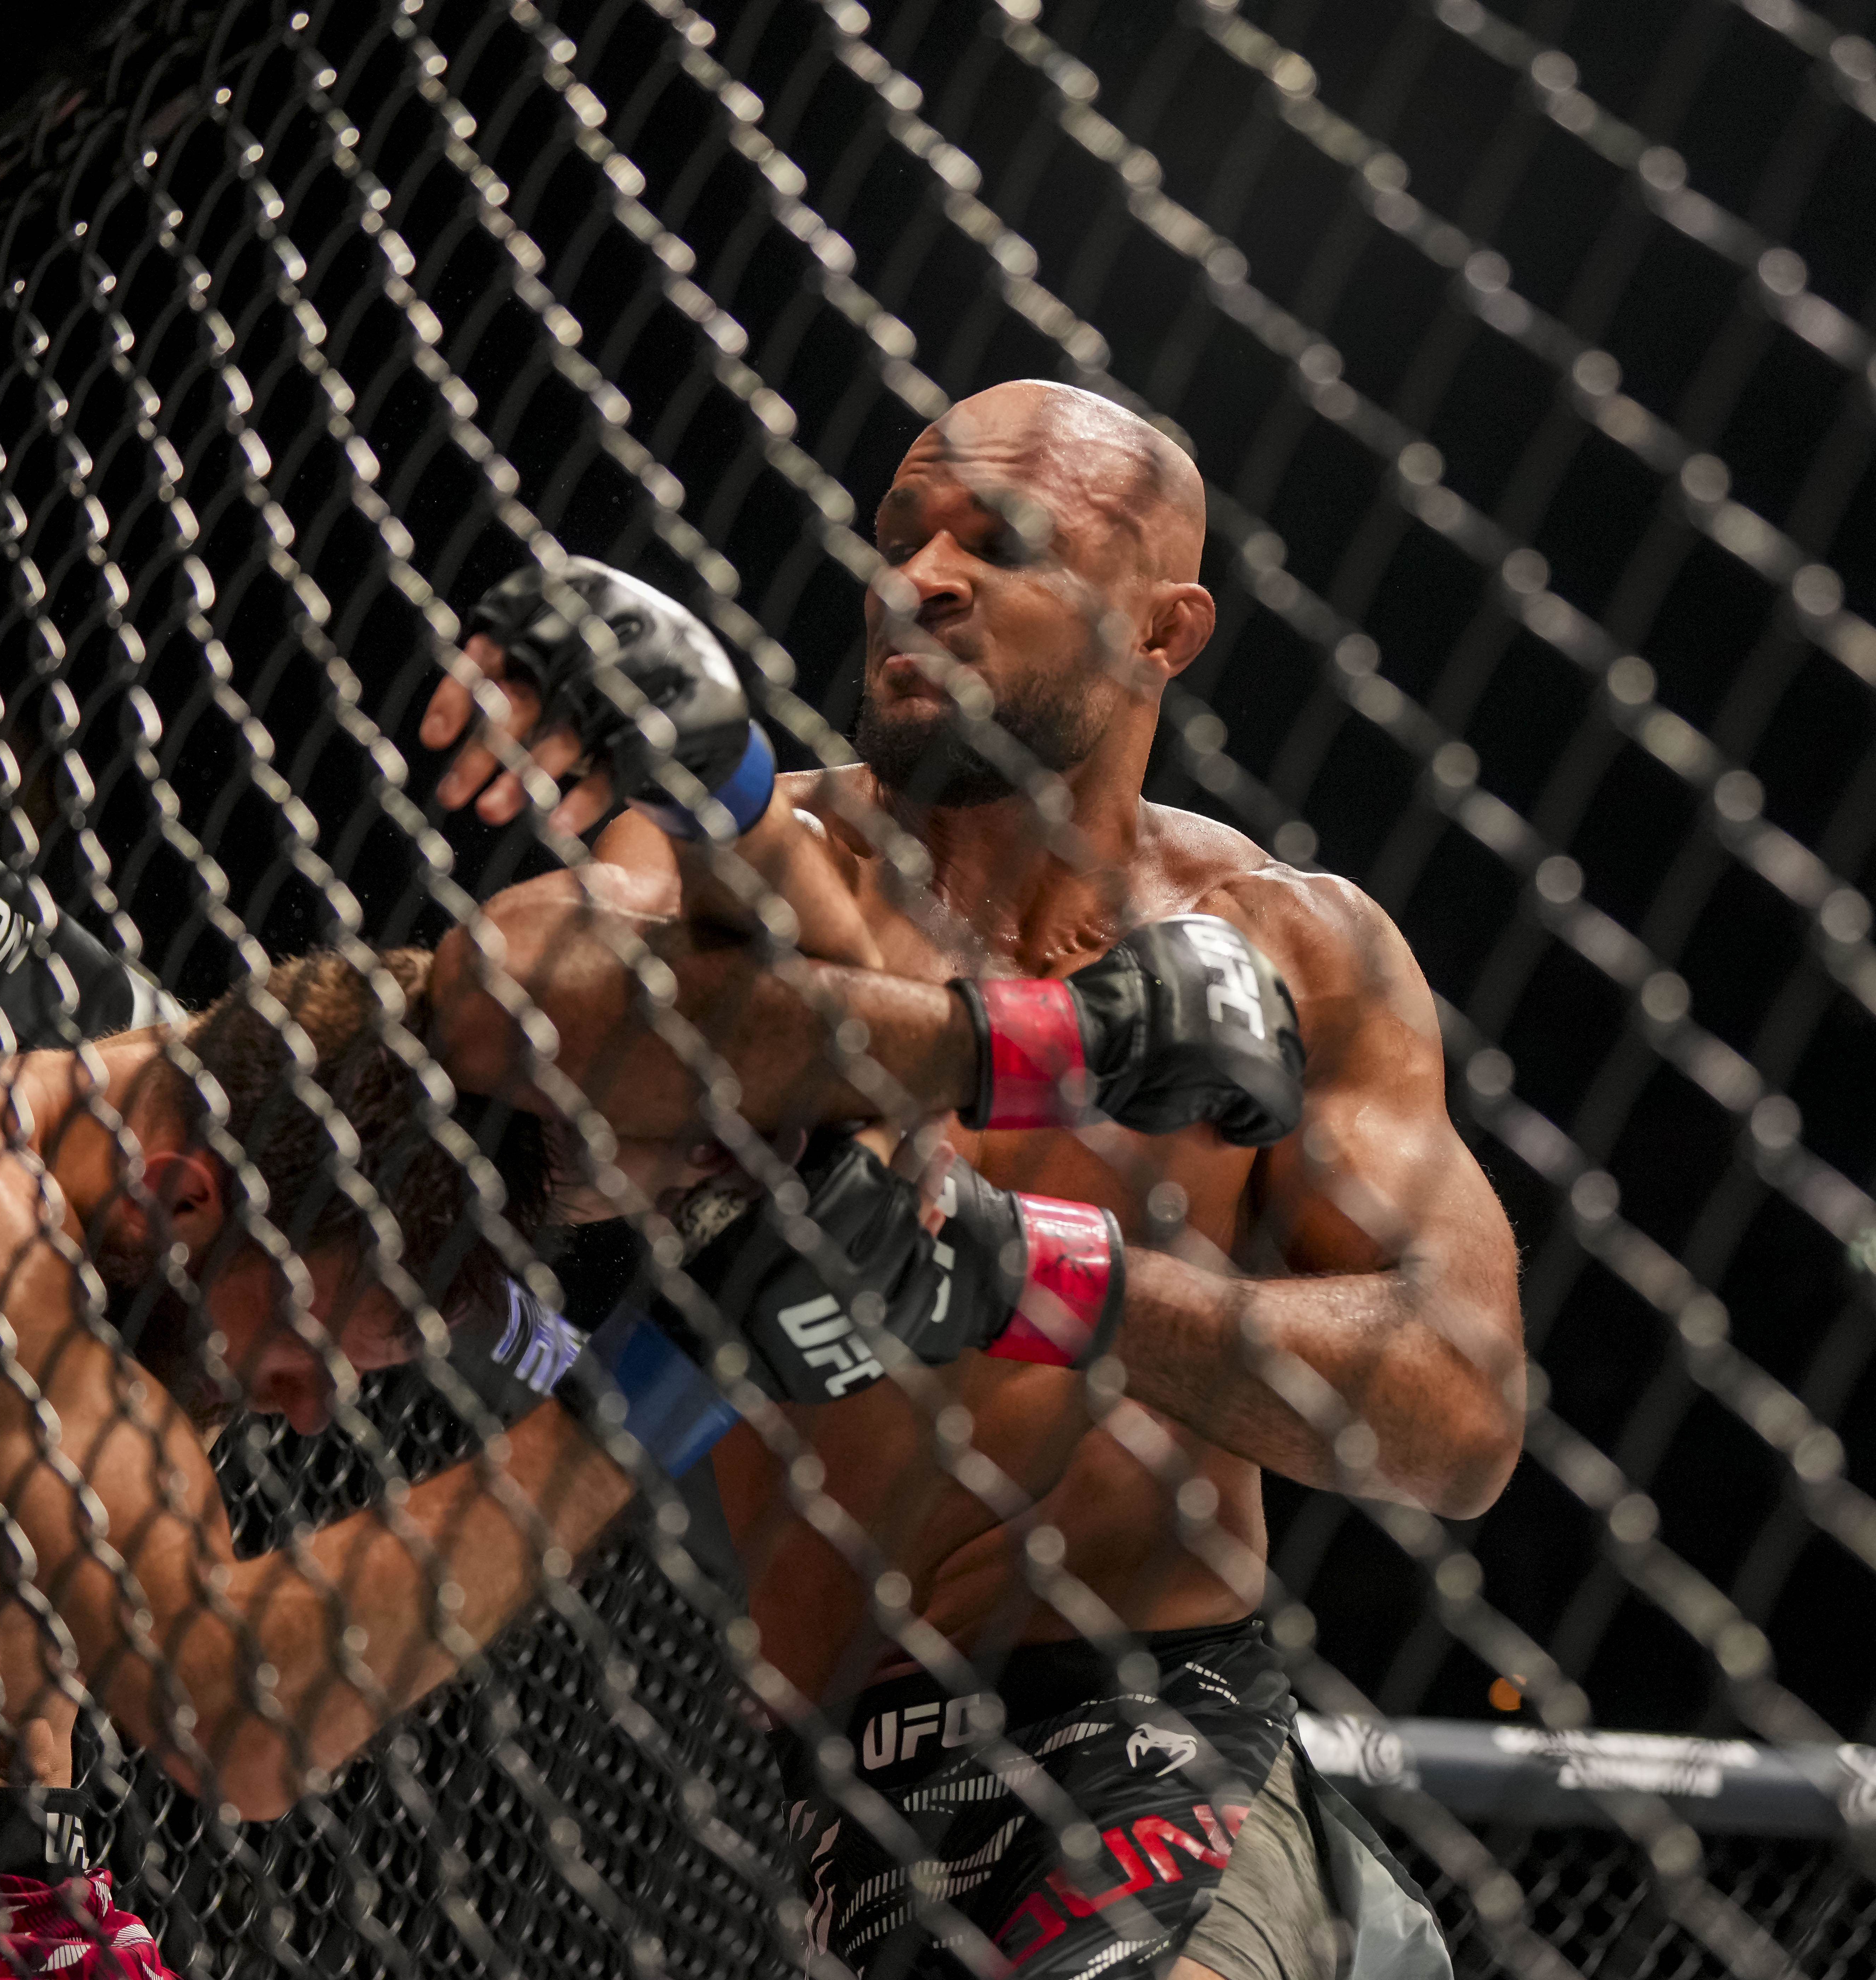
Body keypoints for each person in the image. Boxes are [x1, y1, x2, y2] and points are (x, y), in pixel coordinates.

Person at [0, 906, 1291, 1980]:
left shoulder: (7, 1132)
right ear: (189, 1195)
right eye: (291, 1358)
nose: (293, 1414)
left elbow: (444, 1024)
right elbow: (239, 1718)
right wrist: (641, 1394)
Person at [422, 378, 1526, 1980]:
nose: (914, 579)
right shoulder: (764, 851)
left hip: (1151, 1736)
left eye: (995, 540)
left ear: (1162, 631)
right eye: (895, 535)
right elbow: (508, 996)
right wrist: (1047, 1035)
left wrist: (1021, 1266)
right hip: (838, 1812)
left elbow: (1457, 1406)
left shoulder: (1292, 942)